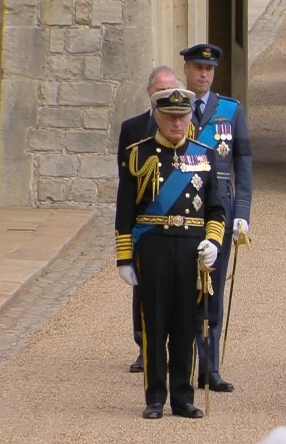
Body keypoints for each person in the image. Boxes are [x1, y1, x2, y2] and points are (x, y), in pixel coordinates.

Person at [115, 88, 226, 419]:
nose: (177, 123)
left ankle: (182, 396)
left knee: (185, 326)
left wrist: (214, 242)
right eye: (170, 117)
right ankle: (154, 397)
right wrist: (124, 257)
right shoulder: (138, 155)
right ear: (158, 118)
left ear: (190, 117)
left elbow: (216, 209)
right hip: (153, 249)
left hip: (191, 251)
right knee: (155, 324)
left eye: (183, 116)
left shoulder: (205, 156)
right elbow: (125, 212)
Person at [181, 43, 253, 393]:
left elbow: (243, 164)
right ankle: (183, 362)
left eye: (209, 70)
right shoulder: (174, 107)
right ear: (187, 70)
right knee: (184, 288)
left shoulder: (231, 110)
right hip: (183, 210)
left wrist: (242, 214)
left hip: (219, 210)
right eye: (198, 68)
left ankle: (210, 368)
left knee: (213, 287)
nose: (204, 75)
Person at [116, 65, 180, 374]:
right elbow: (126, 181)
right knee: (144, 292)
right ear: (149, 92)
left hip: (179, 226)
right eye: (160, 89)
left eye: (170, 88)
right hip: (147, 225)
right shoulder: (132, 128)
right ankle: (145, 347)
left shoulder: (182, 125)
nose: (164, 94)